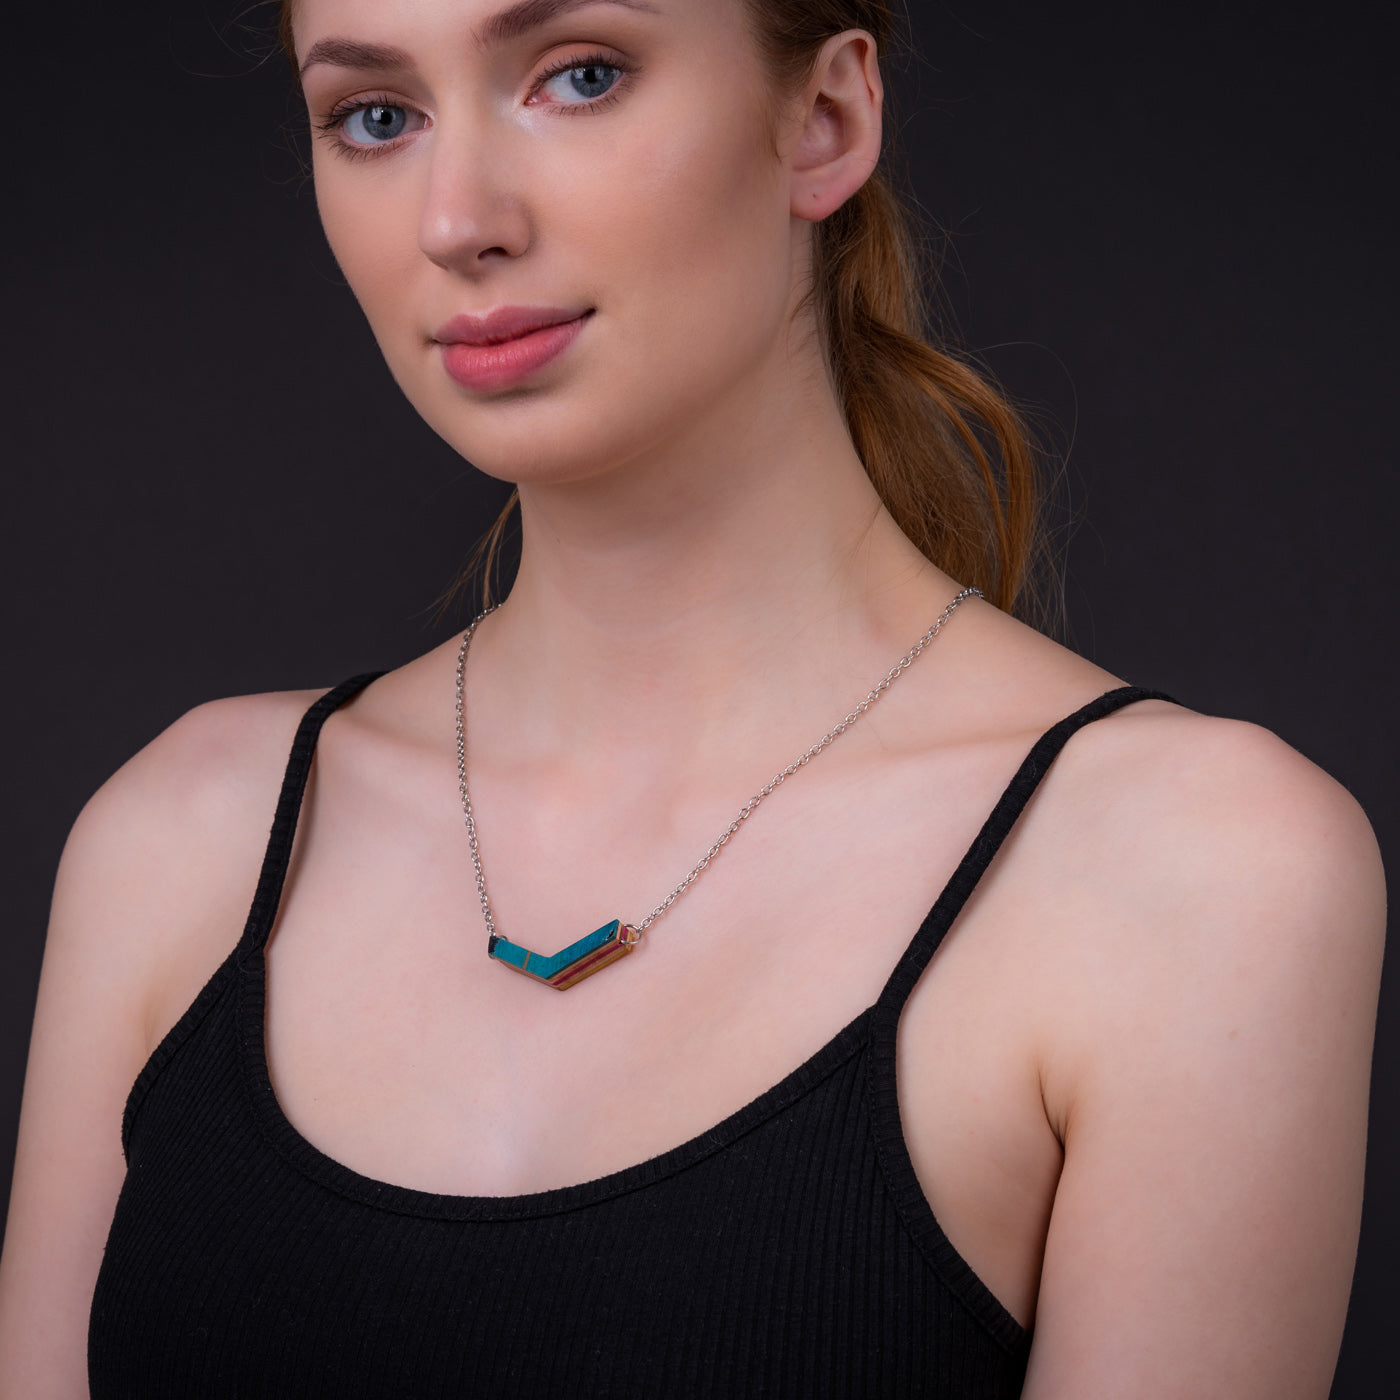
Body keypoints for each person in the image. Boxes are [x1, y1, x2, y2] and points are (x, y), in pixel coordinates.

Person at [0, 0, 1384, 1394]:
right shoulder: (182, 840)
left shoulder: (1188, 874)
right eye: (376, 117)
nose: (456, 221)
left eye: (579, 77)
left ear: (824, 120)